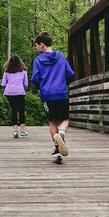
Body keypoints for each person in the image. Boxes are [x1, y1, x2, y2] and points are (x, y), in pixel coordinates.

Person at [31, 31, 74, 161]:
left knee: (52, 121)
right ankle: (61, 134)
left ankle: (57, 150)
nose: (36, 48)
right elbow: (70, 74)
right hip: (61, 93)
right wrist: (62, 82)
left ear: (42, 45)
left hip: (47, 96)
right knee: (65, 119)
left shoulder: (38, 60)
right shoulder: (60, 56)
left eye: (37, 45)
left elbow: (35, 79)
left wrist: (43, 86)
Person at [1, 54, 29, 138]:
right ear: (19, 62)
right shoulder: (23, 71)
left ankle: (15, 131)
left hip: (10, 93)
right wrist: (24, 89)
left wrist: (5, 90)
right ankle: (23, 131)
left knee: (13, 111)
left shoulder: (6, 72)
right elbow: (26, 84)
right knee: (21, 111)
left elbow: (3, 83)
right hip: (20, 92)